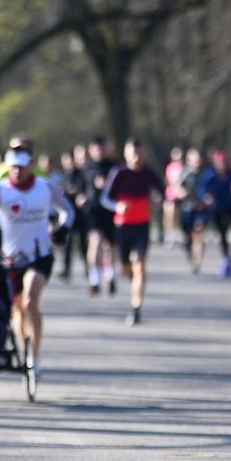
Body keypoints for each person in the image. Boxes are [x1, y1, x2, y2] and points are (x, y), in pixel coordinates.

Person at [0, 144, 74, 376]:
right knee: (16, 309)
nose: (17, 171)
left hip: (40, 256)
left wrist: (63, 227)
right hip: (11, 259)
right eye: (12, 167)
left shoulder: (45, 187)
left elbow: (68, 210)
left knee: (29, 301)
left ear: (30, 165)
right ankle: (24, 346)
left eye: (21, 166)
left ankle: (35, 355)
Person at [100, 138, 165, 326]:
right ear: (126, 155)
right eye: (133, 154)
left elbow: (162, 192)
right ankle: (132, 279)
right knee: (126, 268)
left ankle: (136, 308)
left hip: (142, 226)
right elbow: (105, 199)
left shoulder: (148, 173)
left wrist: (159, 198)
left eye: (139, 154)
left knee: (140, 265)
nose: (136, 158)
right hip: (123, 226)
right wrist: (117, 206)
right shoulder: (118, 173)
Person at [83, 136, 119, 296]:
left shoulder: (114, 167)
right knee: (95, 244)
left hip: (110, 211)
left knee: (110, 247)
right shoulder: (87, 168)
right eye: (96, 149)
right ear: (91, 150)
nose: (99, 152)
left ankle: (110, 276)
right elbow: (81, 187)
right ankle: (94, 280)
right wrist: (80, 197)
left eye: (102, 148)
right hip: (93, 212)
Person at [200, 149, 231, 278]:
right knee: (221, 234)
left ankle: (227, 260)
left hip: (228, 208)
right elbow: (202, 189)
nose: (221, 164)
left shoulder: (230, 174)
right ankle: (227, 259)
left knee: (224, 233)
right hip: (215, 209)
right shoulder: (209, 174)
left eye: (223, 162)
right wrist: (207, 197)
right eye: (219, 162)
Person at [59, 146, 89, 281]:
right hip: (67, 215)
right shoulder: (63, 176)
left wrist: (77, 192)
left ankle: (88, 268)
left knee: (84, 243)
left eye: (69, 160)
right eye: (65, 161)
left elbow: (84, 190)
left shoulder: (81, 175)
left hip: (80, 214)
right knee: (67, 243)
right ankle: (66, 269)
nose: (68, 163)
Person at [177, 147, 208, 274]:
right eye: (194, 159)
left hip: (200, 208)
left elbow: (211, 190)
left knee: (198, 231)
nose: (197, 161)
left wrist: (208, 198)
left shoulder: (206, 173)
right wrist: (181, 192)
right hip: (186, 208)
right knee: (188, 235)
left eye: (199, 159)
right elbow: (176, 187)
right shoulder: (185, 172)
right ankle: (189, 251)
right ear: (189, 160)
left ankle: (197, 260)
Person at [162, 146, 184, 248]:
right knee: (169, 215)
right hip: (170, 194)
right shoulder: (170, 167)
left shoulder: (183, 167)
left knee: (178, 216)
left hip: (180, 195)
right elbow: (168, 180)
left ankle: (177, 233)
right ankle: (168, 235)